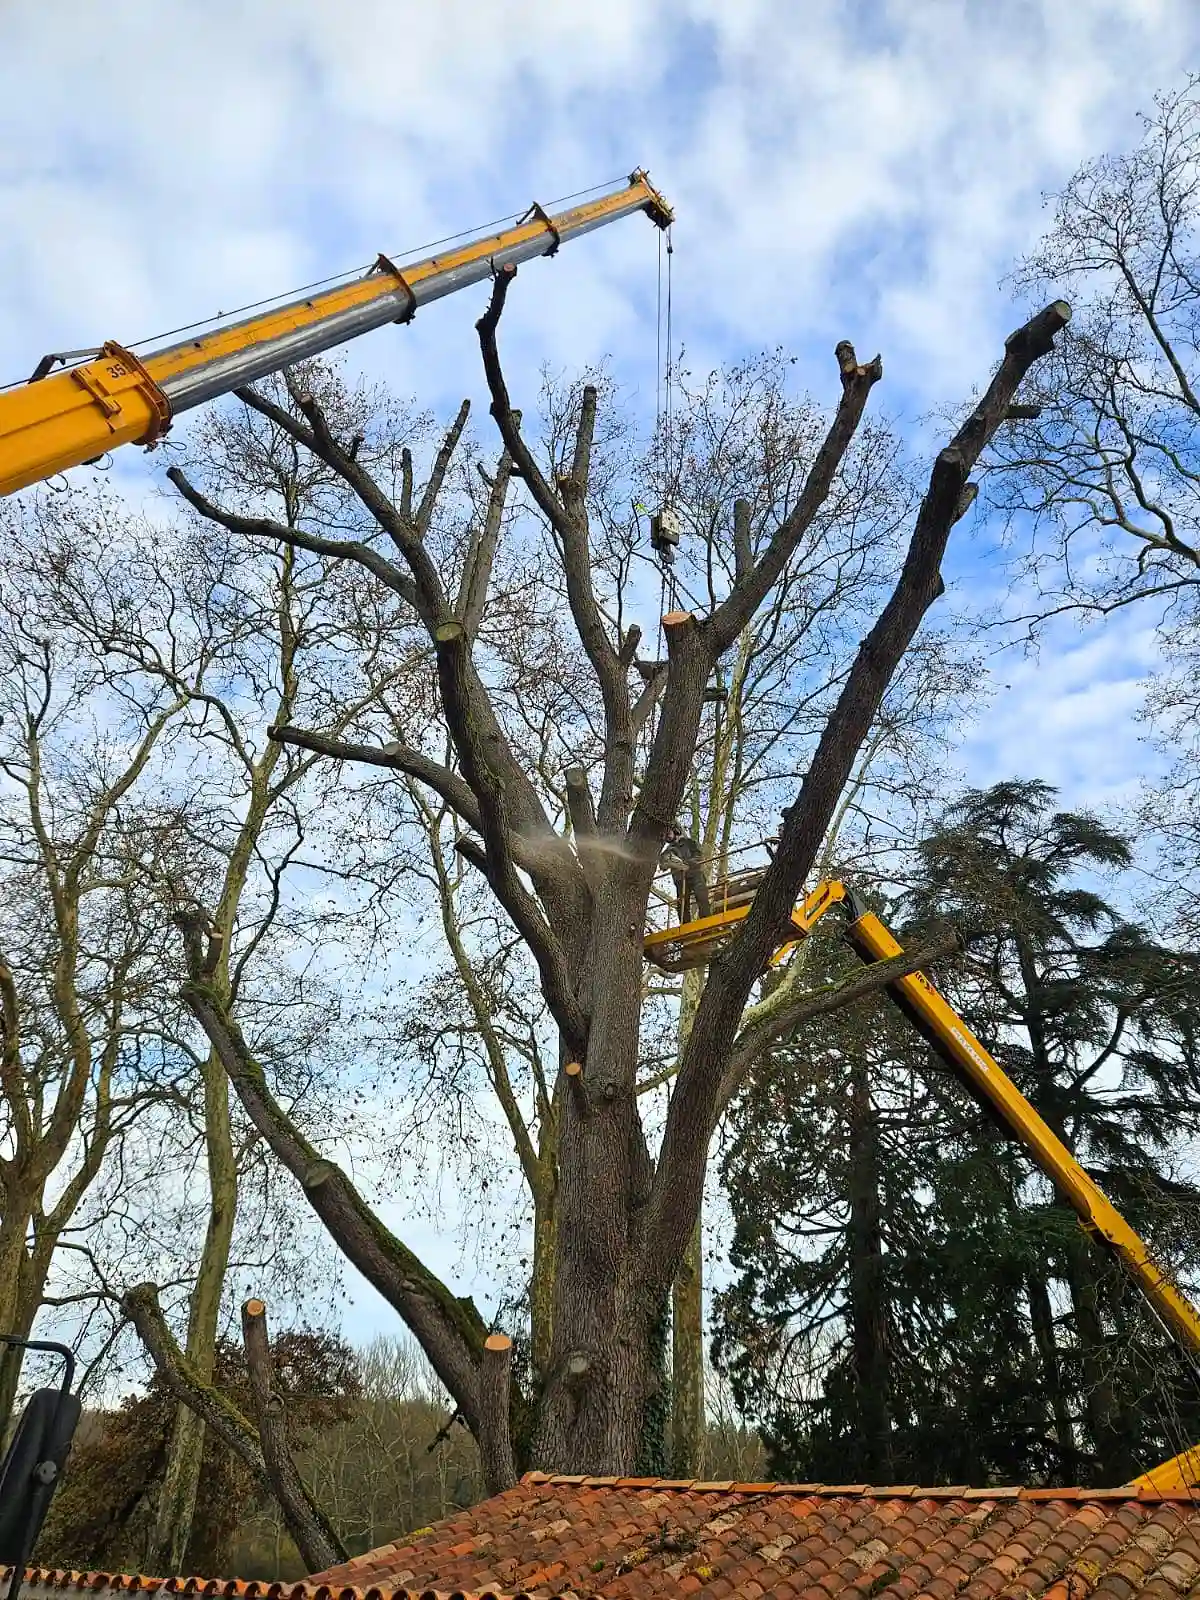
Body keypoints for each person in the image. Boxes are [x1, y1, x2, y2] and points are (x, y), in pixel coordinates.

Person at [662, 823, 711, 922]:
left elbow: (699, 857)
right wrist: (669, 861)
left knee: (701, 896)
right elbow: (663, 865)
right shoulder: (668, 851)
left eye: (668, 832)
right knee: (682, 904)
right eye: (664, 835)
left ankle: (706, 921)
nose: (666, 836)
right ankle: (685, 925)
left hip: (695, 874)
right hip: (680, 879)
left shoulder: (690, 843)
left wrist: (685, 864)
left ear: (675, 830)